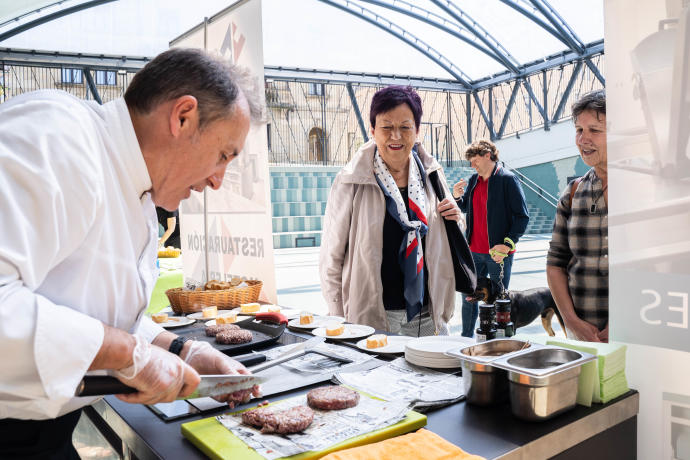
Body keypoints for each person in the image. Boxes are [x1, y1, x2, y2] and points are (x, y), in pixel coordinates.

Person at [0, 48, 265, 458]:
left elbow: (90, 312)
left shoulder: (137, 190)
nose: (217, 180)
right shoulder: (56, 136)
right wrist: (128, 354)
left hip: (45, 436)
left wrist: (182, 350)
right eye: (224, 155)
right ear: (182, 117)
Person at [319, 86, 462, 336]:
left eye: (405, 127)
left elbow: (449, 238)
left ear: (417, 132)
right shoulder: (351, 181)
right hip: (373, 317)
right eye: (386, 127)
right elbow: (331, 256)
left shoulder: (432, 175)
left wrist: (457, 218)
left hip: (428, 314)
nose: (396, 136)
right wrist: (337, 317)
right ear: (372, 131)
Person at [546, 90, 608, 342]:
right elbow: (555, 263)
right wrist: (571, 322)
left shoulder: (646, 190)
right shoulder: (573, 193)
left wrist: (628, 322)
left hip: (641, 336)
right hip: (583, 339)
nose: (583, 139)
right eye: (579, 130)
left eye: (594, 130)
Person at [453, 140, 529, 337]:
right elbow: (465, 208)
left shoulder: (508, 179)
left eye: (475, 160)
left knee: (498, 301)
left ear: (488, 155)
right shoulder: (473, 181)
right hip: (473, 253)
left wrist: (507, 244)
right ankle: (466, 339)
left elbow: (522, 216)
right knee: (469, 298)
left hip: (498, 255)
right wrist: (457, 197)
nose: (472, 165)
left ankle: (495, 339)